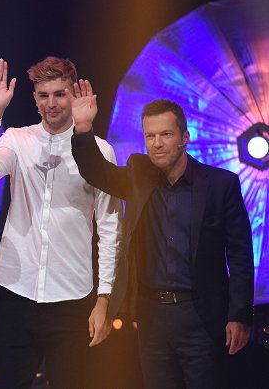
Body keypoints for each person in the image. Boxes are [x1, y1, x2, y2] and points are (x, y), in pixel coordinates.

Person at [70, 86, 254, 389]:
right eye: (150, 136)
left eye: (166, 135)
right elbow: (97, 172)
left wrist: (240, 315)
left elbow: (240, 255)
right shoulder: (138, 175)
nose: (156, 144)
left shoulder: (221, 184)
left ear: (184, 138)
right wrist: (83, 128)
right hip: (151, 315)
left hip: (201, 315)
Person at [0, 57, 122, 389]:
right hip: (17, 292)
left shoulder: (100, 151)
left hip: (72, 298)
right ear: (35, 98)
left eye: (59, 94)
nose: (51, 103)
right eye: (43, 95)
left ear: (74, 94)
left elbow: (110, 229)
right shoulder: (18, 139)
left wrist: (104, 298)